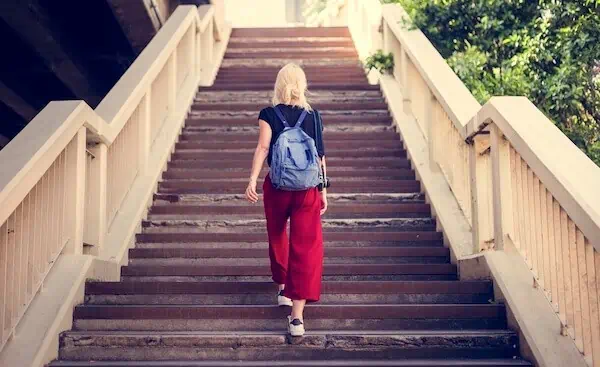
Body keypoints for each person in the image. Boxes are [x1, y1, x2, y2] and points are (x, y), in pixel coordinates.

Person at [245, 63, 327, 337]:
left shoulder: (269, 114)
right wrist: (323, 190)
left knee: (278, 234)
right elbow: (320, 157)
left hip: (277, 186)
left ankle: (282, 286)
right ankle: (297, 318)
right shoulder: (313, 116)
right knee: (307, 246)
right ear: (302, 85)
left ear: (279, 84)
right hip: (307, 189)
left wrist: (252, 180)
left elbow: (263, 147)